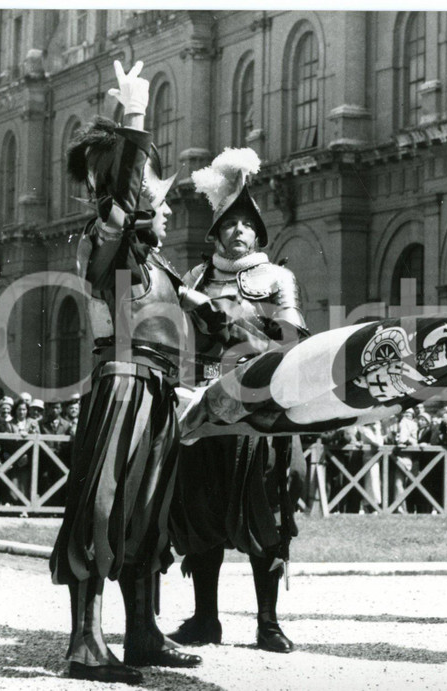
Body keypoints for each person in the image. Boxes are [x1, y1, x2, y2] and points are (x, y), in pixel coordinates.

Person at [49, 60, 229, 684]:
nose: (169, 205)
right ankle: (85, 644)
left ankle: (144, 634)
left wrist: (214, 320)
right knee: (102, 511)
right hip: (122, 385)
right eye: (158, 193)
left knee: (148, 513)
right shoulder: (105, 246)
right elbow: (119, 198)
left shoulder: (163, 270)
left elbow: (193, 327)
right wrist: (133, 119)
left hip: (159, 392)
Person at [167, 145, 308, 654]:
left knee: (263, 514)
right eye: (229, 223)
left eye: (247, 223)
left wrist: (226, 320)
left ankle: (267, 623)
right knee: (200, 513)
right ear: (217, 230)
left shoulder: (276, 278)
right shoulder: (193, 278)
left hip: (256, 407)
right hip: (202, 407)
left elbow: (291, 345)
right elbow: (176, 341)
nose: (239, 231)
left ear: (258, 230)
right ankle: (206, 618)